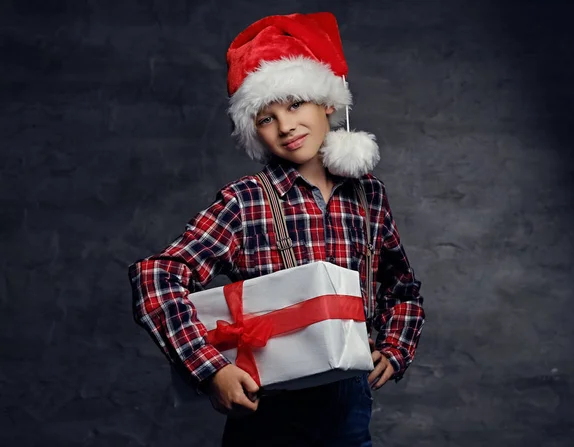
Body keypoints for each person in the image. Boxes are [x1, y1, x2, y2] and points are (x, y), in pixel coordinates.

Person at [129, 12, 425, 447]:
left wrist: (396, 348)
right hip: (269, 410)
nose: (285, 126)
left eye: (294, 104)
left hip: (349, 407)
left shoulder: (369, 196)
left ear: (327, 102)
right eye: (265, 119)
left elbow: (402, 289)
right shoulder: (245, 201)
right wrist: (211, 367)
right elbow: (156, 277)